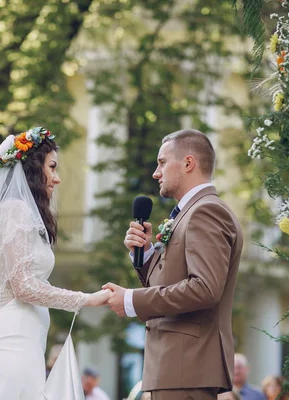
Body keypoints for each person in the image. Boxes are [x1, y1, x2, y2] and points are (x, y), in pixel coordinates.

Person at [0, 127, 112, 399]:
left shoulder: (22, 214)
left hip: (25, 341)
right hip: (12, 343)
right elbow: (23, 286)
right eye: (52, 167)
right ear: (32, 169)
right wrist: (86, 299)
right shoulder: (15, 210)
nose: (56, 178)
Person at [104, 129, 244, 400]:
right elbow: (172, 281)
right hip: (176, 369)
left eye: (162, 162)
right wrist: (144, 255)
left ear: (188, 163)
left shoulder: (206, 211)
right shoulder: (190, 213)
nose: (156, 173)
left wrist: (132, 300)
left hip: (188, 367)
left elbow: (205, 288)